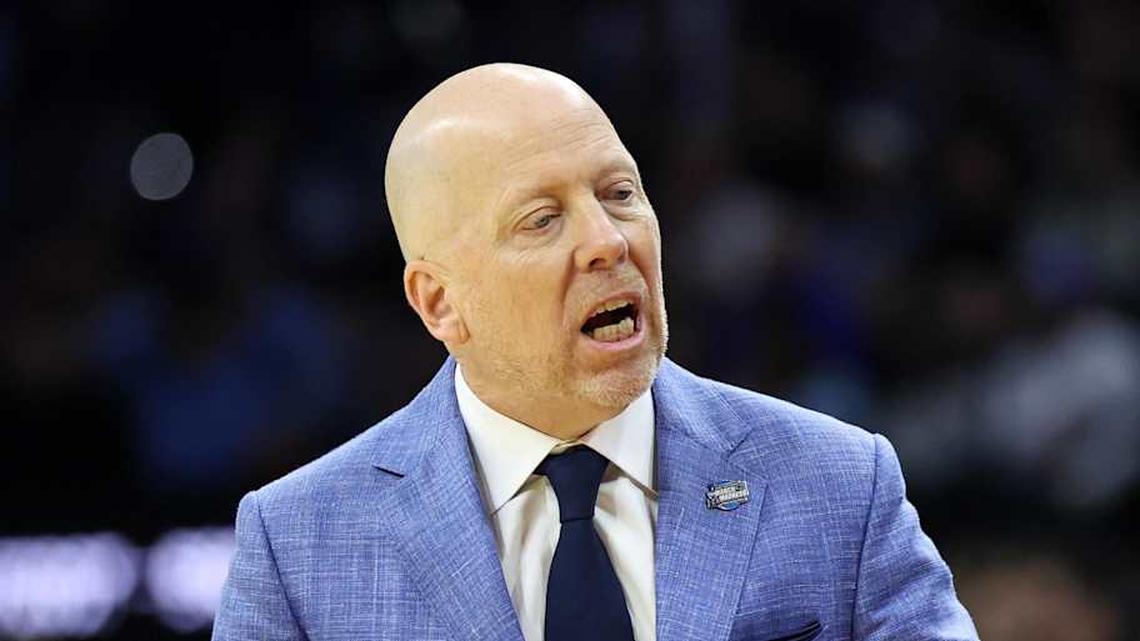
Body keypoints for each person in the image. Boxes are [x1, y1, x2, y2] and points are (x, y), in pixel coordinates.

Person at [212, 63, 978, 641]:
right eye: (542, 220)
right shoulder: (300, 547)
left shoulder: (840, 484)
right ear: (439, 301)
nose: (608, 243)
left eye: (619, 194)